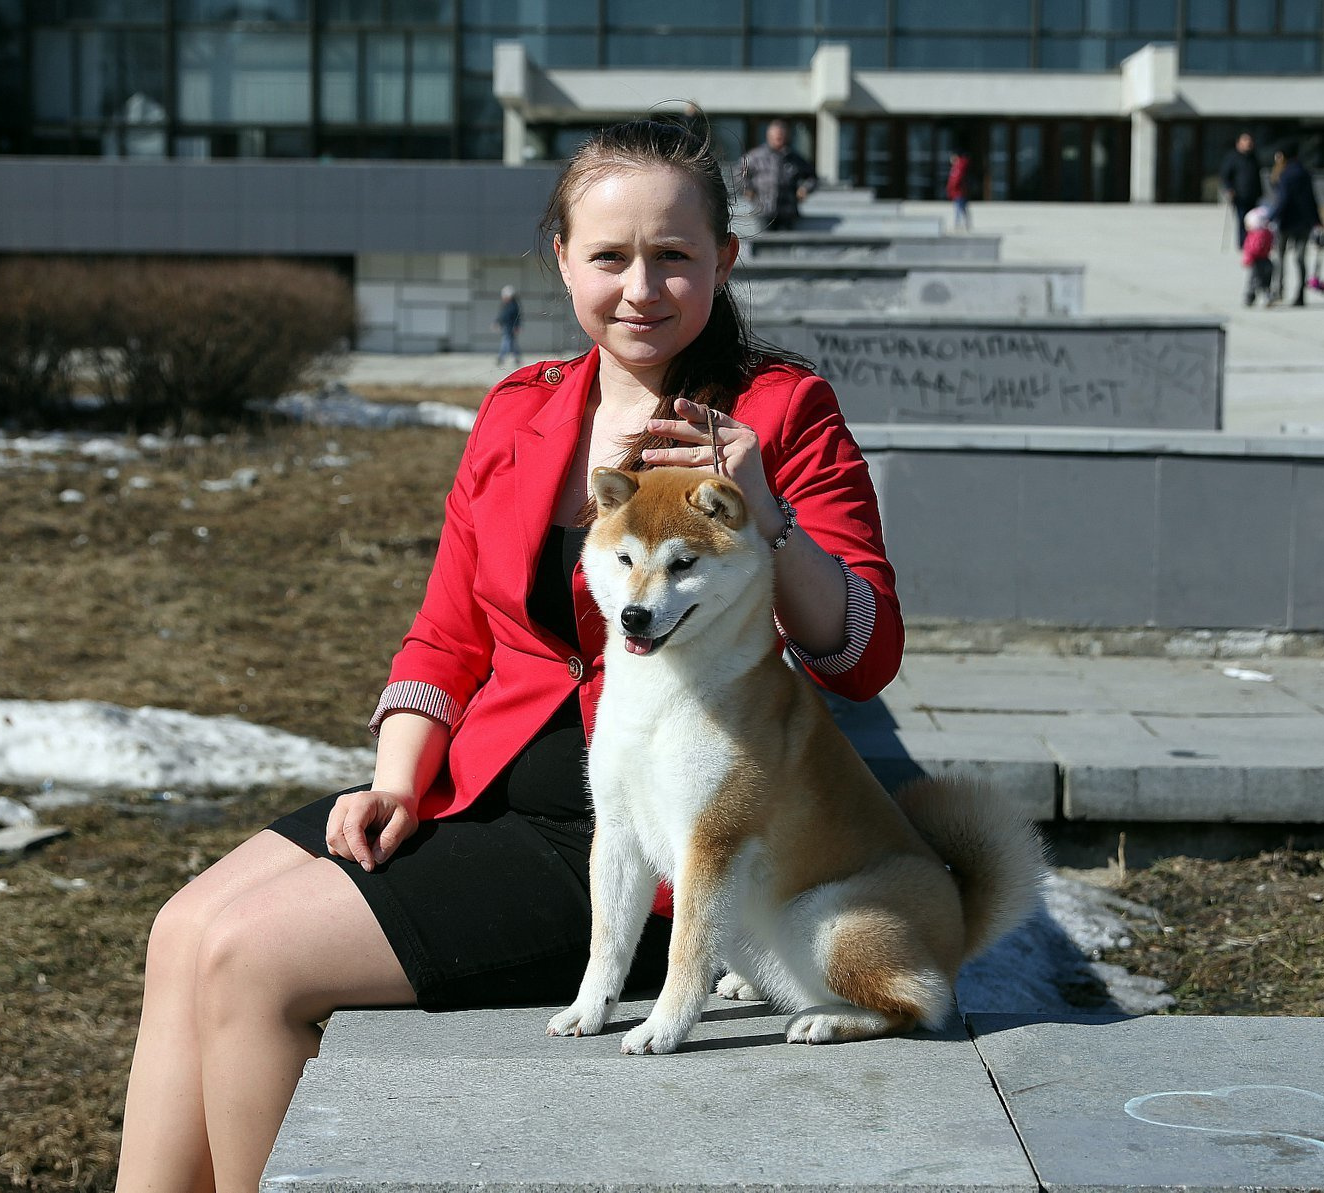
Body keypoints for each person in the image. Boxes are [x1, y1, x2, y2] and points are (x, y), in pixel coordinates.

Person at [113, 115, 904, 1193]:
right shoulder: (520, 409)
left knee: (252, 962)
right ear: (563, 259)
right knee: (184, 929)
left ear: (725, 260)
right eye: (610, 256)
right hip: (481, 783)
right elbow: (446, 629)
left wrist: (767, 516)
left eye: (674, 256)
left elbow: (862, 653)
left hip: (639, 845)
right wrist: (398, 776)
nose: (642, 287)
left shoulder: (781, 412)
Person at [1266, 140, 1323, 307]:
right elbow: (1312, 198)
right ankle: (1300, 294)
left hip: (1287, 221)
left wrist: (1271, 217)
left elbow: (1284, 200)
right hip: (1304, 222)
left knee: (1281, 257)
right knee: (1300, 258)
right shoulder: (1304, 173)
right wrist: (1318, 221)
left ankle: (1279, 290)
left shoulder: (1285, 174)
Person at [736, 118, 817, 231]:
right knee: (765, 245)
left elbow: (812, 177)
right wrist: (747, 189)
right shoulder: (756, 156)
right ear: (768, 136)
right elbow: (740, 174)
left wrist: (805, 189)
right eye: (776, 134)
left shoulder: (795, 159)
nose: (779, 137)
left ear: (787, 136)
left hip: (788, 212)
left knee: (786, 246)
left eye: (781, 134)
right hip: (763, 211)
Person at [1218, 132, 1263, 250]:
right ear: (1239, 143)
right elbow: (1225, 176)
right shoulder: (1232, 158)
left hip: (1253, 195)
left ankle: (1253, 242)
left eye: (1250, 141)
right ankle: (1243, 243)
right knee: (1242, 220)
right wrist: (1229, 189)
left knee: (1254, 221)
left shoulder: (1253, 157)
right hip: (1239, 196)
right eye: (1245, 141)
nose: (1248, 144)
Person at [1240, 206, 1274, 308]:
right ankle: (1265, 295)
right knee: (1265, 280)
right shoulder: (1268, 233)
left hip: (1256, 260)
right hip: (1266, 259)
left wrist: (1248, 258)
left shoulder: (1254, 235)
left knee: (1254, 280)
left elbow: (1251, 249)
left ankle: (1250, 297)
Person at [492, 284, 521, 366]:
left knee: (506, 343)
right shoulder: (505, 305)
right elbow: (501, 315)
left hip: (510, 327)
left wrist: (517, 326)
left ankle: (501, 358)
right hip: (506, 327)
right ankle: (517, 358)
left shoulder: (514, 305)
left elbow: (517, 317)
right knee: (512, 344)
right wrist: (497, 322)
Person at [946, 149, 972, 232]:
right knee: (962, 208)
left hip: (959, 192)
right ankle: (965, 223)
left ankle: (958, 224)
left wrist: (951, 188)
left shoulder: (959, 167)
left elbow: (955, 180)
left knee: (959, 208)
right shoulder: (959, 166)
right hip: (960, 191)